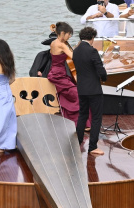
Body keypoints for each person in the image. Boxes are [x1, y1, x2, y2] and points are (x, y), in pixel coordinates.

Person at [46, 22, 91, 130]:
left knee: (70, 96)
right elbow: (74, 56)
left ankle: (76, 122)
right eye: (69, 34)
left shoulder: (53, 43)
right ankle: (82, 123)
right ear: (62, 33)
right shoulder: (61, 45)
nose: (70, 36)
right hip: (59, 75)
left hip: (56, 73)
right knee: (78, 95)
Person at [72, 27, 107, 156]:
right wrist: (104, 78)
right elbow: (100, 69)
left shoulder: (75, 51)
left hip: (81, 88)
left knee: (82, 115)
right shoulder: (92, 51)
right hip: (94, 89)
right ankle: (92, 147)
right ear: (92, 37)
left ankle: (78, 142)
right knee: (96, 118)